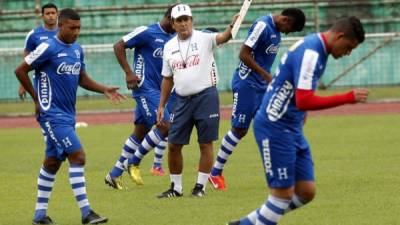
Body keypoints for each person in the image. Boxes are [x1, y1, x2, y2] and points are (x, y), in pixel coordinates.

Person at [228, 16, 369, 225]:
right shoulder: (312, 52)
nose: (348, 53)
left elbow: (292, 87)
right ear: (339, 36)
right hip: (274, 126)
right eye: (349, 47)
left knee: (306, 191)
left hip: (290, 126)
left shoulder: (315, 47)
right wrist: (348, 97)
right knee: (281, 195)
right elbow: (305, 100)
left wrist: (300, 112)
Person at [15, 8, 125, 224]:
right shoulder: (47, 47)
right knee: (78, 156)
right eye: (72, 28)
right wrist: (37, 99)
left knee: (53, 162)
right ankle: (86, 213)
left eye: (79, 28)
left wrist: (103, 89)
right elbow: (20, 70)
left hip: (67, 114)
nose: (76, 32)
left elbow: (82, 78)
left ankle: (39, 216)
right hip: (51, 114)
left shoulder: (77, 49)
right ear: (61, 26)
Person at [209, 8, 306, 191]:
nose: (287, 33)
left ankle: (284, 173)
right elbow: (243, 54)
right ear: (285, 20)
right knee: (239, 129)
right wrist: (265, 74)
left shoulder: (276, 31)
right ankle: (215, 173)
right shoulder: (263, 25)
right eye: (289, 29)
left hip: (262, 86)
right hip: (246, 84)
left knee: (274, 123)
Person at [156, 3, 239, 198]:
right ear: (173, 24)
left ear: (192, 21)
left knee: (205, 143)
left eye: (187, 19)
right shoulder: (168, 47)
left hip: (206, 97)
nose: (184, 24)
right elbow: (167, 79)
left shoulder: (205, 38)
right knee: (174, 144)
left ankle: (200, 187)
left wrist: (232, 26)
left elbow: (224, 37)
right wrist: (161, 105)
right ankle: (176, 188)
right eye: (179, 20)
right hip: (181, 100)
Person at [105, 4, 177, 190]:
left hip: (160, 92)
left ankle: (114, 174)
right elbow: (118, 45)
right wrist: (129, 72)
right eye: (178, 21)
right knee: (165, 125)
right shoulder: (147, 32)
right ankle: (134, 162)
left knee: (141, 131)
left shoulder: (174, 37)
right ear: (169, 18)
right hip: (144, 88)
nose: (181, 25)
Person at [19, 3, 59, 100]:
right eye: (48, 13)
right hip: (42, 79)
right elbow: (26, 58)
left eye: (53, 13)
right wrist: (22, 84)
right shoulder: (33, 35)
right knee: (44, 109)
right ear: (42, 16)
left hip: (61, 78)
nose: (51, 16)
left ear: (57, 15)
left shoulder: (64, 32)